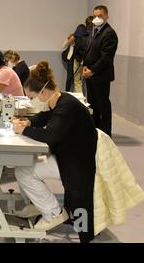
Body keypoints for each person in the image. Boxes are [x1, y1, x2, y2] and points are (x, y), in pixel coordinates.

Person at [13, 61, 97, 243]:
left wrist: (24, 130)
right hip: (69, 157)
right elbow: (47, 116)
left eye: (31, 97)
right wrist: (29, 122)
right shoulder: (61, 99)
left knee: (24, 171)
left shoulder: (66, 107)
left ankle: (53, 213)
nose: (31, 101)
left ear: (42, 92)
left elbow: (51, 135)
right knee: (23, 167)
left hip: (76, 165)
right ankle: (41, 206)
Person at [83, 6, 118, 137]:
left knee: (102, 105)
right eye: (95, 16)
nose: (97, 19)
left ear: (106, 16)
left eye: (100, 16)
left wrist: (93, 70)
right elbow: (89, 50)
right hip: (90, 74)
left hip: (100, 76)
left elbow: (106, 57)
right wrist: (85, 67)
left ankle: (106, 133)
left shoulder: (109, 33)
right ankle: (96, 131)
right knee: (93, 105)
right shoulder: (94, 31)